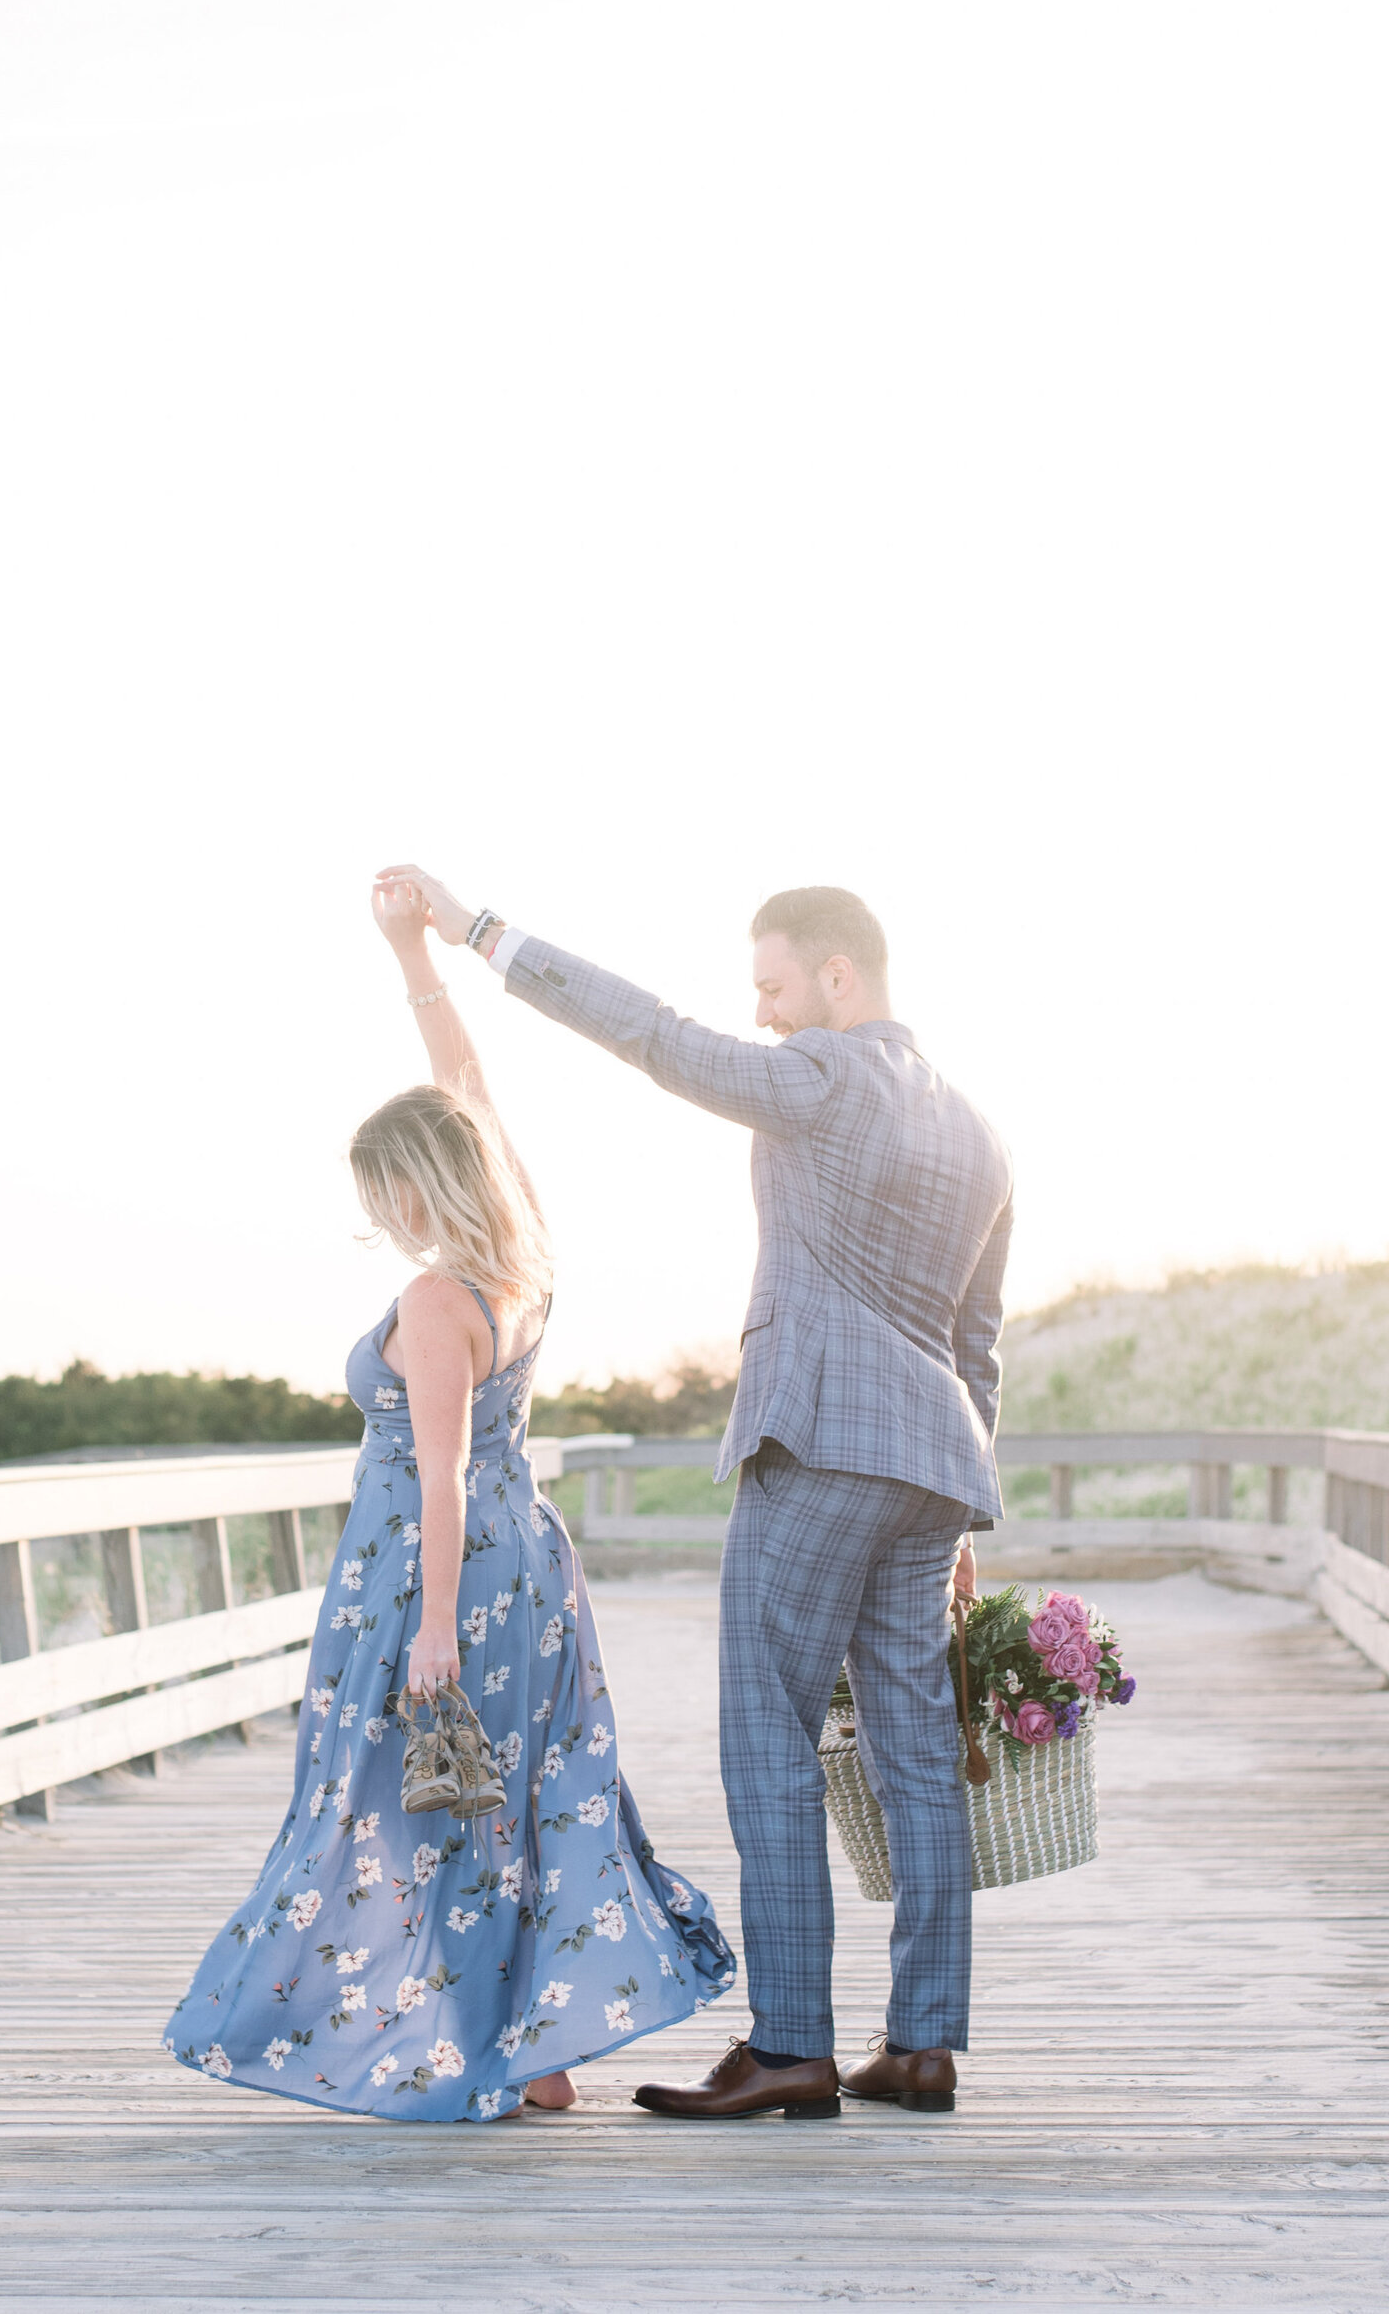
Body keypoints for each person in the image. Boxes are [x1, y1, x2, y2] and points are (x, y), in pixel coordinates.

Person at [375, 868, 1012, 2122]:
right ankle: (925, 2044)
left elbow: (656, 1038)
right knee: (914, 1755)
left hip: (820, 1442)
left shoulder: (825, 1079)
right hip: (933, 1464)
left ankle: (790, 2044)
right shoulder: (979, 1132)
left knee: (768, 1737)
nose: (765, 1014)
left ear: (839, 976)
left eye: (774, 986)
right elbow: (975, 1336)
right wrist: (963, 1499)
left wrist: (479, 931)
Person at [162, 879, 733, 2124]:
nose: (381, 1219)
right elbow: (468, 1085)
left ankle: (425, 2036)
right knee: (521, 1791)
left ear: (419, 1187)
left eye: (386, 1194)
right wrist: (412, 949)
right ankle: (540, 2049)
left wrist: (427, 1629)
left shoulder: (433, 1300)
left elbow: (438, 1474)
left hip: (435, 1573)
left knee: (381, 1796)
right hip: (529, 1567)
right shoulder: (519, 1258)